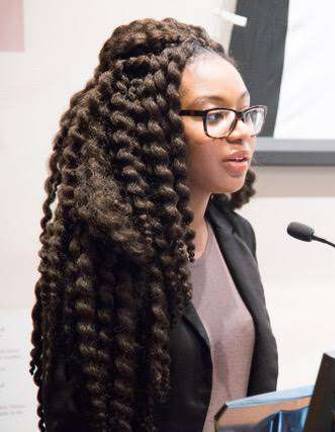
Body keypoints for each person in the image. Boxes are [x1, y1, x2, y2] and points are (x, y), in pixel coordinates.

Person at [29, 17, 278, 432]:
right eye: (217, 114)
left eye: (244, 112)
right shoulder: (106, 260)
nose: (242, 133)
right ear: (154, 125)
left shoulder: (236, 235)